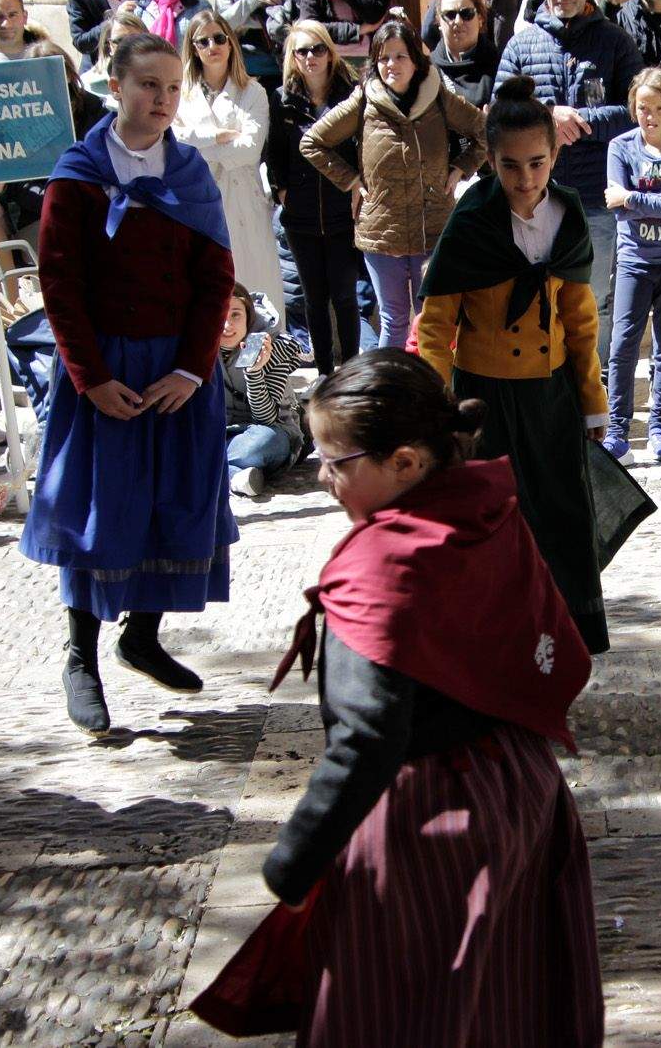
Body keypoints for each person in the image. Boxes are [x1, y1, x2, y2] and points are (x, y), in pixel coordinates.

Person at [195, 349, 600, 1046]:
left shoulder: (379, 568)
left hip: (429, 828)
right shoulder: (486, 503)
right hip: (523, 791)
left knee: (402, 1014)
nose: (323, 478)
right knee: (503, 1007)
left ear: (407, 461)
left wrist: (295, 858)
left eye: (336, 461)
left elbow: (366, 737)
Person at [20, 33, 239, 737]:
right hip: (107, 373)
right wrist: (90, 378)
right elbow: (60, 285)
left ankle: (142, 633)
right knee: (99, 506)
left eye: (173, 88)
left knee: (175, 499)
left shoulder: (190, 173)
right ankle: (79, 655)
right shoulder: (79, 174)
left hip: (175, 373)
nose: (162, 100)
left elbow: (214, 281)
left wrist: (190, 367)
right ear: (116, 85)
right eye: (148, 85)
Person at [417, 77, 611, 653]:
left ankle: (562, 632)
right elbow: (435, 326)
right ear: (491, 161)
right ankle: (490, 635)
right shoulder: (472, 221)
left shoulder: (569, 216)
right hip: (484, 398)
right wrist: (438, 403)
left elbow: (579, 320)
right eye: (509, 166)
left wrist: (592, 399)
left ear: (555, 154)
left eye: (537, 163)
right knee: (492, 516)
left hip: (549, 395)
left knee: (560, 512)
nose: (525, 179)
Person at [495, 0, 645, 361]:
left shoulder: (615, 41)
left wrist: (582, 120)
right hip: (531, 200)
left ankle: (589, 386)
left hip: (595, 198)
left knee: (593, 298)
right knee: (531, 297)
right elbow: (499, 112)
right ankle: (543, 380)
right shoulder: (521, 47)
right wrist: (548, 116)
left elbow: (638, 109)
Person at [303, 18, 486, 353]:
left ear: (415, 60)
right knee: (394, 320)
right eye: (384, 58)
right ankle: (393, 396)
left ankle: (436, 393)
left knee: (433, 318)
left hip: (431, 228)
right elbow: (313, 143)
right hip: (381, 232)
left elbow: (485, 131)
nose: (392, 65)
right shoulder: (364, 101)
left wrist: (462, 167)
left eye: (400, 56)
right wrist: (352, 181)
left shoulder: (438, 97)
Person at [602, 68, 661, 465]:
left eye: (659, 108)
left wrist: (631, 196)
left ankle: (660, 426)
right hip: (634, 260)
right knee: (623, 346)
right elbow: (615, 205)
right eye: (643, 108)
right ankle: (618, 429)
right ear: (633, 108)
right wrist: (633, 201)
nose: (650, 116)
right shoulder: (620, 148)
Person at [269, 20, 363, 376]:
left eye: (318, 49)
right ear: (293, 56)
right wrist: (282, 190)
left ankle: (351, 370)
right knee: (313, 299)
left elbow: (361, 146)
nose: (311, 57)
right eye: (302, 50)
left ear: (330, 51)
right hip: (301, 214)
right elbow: (275, 150)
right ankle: (324, 371)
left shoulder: (351, 92)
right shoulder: (283, 99)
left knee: (344, 295)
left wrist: (357, 185)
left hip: (342, 211)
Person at [174, 8, 282, 309]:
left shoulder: (253, 92)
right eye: (203, 41)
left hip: (244, 198)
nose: (213, 47)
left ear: (230, 42)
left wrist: (198, 140)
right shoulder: (180, 94)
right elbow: (175, 144)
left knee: (255, 285)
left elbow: (248, 148)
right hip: (197, 198)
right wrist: (216, 136)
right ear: (193, 49)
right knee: (205, 287)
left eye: (219, 38)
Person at [218, 282, 305, 498]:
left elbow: (266, 419)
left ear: (249, 317)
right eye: (219, 315)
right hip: (220, 432)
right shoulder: (199, 348)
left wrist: (254, 372)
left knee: (261, 443)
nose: (227, 325)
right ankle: (236, 476)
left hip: (267, 432)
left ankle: (211, 470)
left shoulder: (275, 348)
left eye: (235, 315)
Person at [427, 0, 501, 109]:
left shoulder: (498, 64)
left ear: (480, 19)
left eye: (466, 14)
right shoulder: (427, 69)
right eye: (450, 15)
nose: (458, 21)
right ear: (439, 22)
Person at [80, 8, 148, 104]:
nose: (128, 46)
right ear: (109, 46)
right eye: (120, 40)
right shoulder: (87, 85)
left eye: (136, 40)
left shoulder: (162, 82)